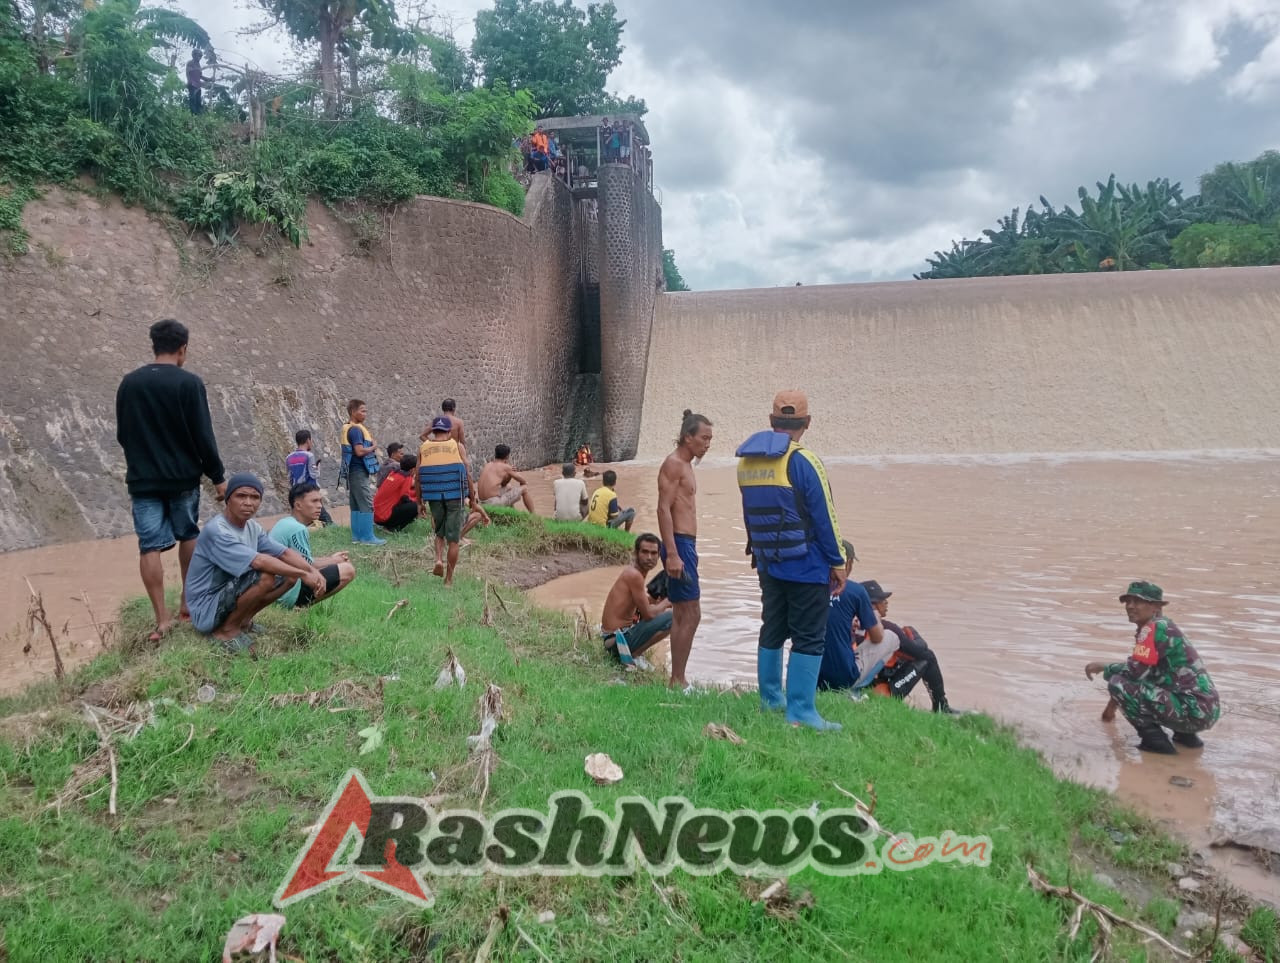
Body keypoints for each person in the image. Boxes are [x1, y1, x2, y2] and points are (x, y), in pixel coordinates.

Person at [736, 391, 846, 730]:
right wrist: (837, 561)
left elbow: (749, 514)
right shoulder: (804, 461)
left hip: (768, 562)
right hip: (807, 564)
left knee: (773, 627)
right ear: (807, 423)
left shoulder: (747, 462)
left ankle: (771, 699)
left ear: (771, 422)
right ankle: (801, 711)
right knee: (809, 636)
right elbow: (824, 515)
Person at [116, 319, 226, 644]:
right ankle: (187, 606)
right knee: (188, 534)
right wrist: (218, 478)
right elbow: (203, 436)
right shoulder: (188, 384)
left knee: (149, 546)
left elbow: (123, 434)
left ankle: (161, 620)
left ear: (154, 346)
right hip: (182, 478)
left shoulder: (129, 384)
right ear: (182, 349)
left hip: (143, 480)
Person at [185, 473, 325, 655]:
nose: (248, 502)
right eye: (241, 496)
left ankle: (243, 621)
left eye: (254, 497)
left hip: (226, 594)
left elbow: (283, 552)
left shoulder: (252, 527)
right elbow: (259, 561)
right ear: (228, 499)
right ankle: (226, 631)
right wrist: (304, 574)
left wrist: (311, 570)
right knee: (265, 575)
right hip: (206, 607)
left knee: (289, 576)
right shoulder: (218, 530)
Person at [1086, 581, 1220, 754]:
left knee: (1117, 682)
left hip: (1193, 710)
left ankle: (1156, 744)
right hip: (1205, 710)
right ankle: (1186, 739)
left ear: (1155, 606)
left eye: (1138, 601)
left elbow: (1131, 675)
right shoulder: (1164, 626)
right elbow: (1141, 674)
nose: (1130, 606)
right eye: (1128, 601)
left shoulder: (1152, 629)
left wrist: (1104, 667)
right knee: (1145, 681)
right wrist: (1109, 712)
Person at [657, 409, 714, 691]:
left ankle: (678, 678)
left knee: (685, 612)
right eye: (704, 438)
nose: (708, 443)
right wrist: (673, 553)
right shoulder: (674, 464)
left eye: (710, 438)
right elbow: (663, 509)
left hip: (686, 544)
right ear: (687, 437)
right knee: (690, 613)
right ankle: (677, 679)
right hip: (679, 544)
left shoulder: (687, 464)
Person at [856, 580, 959, 714]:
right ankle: (941, 707)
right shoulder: (888, 628)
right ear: (873, 605)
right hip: (875, 692)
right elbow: (921, 653)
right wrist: (915, 637)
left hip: (850, 680)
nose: (886, 603)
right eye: (882, 599)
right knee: (928, 658)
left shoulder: (849, 623)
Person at [417, 416, 484, 585]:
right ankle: (448, 580)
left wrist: (420, 502)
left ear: (433, 431)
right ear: (449, 431)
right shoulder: (457, 446)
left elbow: (418, 477)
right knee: (453, 540)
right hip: (455, 495)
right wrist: (473, 499)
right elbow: (467, 473)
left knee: (439, 532)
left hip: (434, 496)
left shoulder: (423, 448)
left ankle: (438, 559)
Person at [270, 483, 357, 609]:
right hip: (284, 594)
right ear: (298, 505)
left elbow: (301, 561)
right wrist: (335, 561)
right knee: (347, 570)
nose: (320, 506)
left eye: (320, 501)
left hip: (273, 590)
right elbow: (307, 566)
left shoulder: (285, 523)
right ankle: (297, 607)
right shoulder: (297, 529)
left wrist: (332, 560)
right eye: (314, 501)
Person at [817, 541, 883, 692]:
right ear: (848, 563)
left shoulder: (809, 587)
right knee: (891, 637)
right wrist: (875, 613)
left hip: (810, 677)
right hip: (842, 677)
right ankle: (859, 688)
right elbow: (877, 637)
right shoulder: (856, 591)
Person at [601, 533, 673, 666]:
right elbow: (648, 614)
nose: (649, 557)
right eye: (645, 552)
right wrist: (667, 602)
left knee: (658, 607)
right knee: (673, 617)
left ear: (658, 556)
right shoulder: (635, 576)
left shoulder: (634, 573)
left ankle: (634, 653)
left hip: (613, 638)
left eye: (653, 553)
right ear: (636, 553)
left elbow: (642, 604)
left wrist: (658, 603)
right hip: (616, 643)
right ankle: (633, 655)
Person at [341, 399, 384, 545]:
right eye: (362, 411)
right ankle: (367, 537)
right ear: (353, 412)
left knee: (356, 503)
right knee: (366, 502)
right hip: (358, 470)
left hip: (352, 471)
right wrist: (374, 447)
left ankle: (357, 536)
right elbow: (359, 451)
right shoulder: (355, 430)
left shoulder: (350, 428)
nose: (365, 414)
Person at [285, 429, 332, 526]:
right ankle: (333, 529)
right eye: (311, 440)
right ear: (308, 440)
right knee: (324, 517)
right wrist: (317, 468)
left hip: (296, 491)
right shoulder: (309, 456)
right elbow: (314, 475)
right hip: (309, 491)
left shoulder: (289, 457)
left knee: (301, 516)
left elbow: (289, 477)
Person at [477, 445, 535, 511]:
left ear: (495, 454)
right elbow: (524, 481)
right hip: (493, 503)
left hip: (482, 502)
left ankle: (513, 512)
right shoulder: (505, 467)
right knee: (525, 488)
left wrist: (509, 475)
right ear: (507, 456)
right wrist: (511, 470)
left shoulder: (488, 464)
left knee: (509, 487)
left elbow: (503, 485)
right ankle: (534, 516)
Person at [373, 453, 420, 532]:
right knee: (415, 507)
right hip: (384, 516)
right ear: (413, 469)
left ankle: (388, 526)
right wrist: (419, 502)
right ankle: (392, 528)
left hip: (377, 515)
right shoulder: (406, 477)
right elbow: (404, 497)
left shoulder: (394, 473)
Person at [185, 48, 208, 115]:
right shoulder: (190, 63)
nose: (200, 57)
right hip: (192, 85)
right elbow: (188, 73)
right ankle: (193, 116)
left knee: (198, 101)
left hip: (198, 86)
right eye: (198, 55)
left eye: (200, 56)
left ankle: (198, 116)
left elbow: (200, 76)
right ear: (194, 55)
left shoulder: (198, 65)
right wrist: (189, 82)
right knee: (193, 101)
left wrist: (210, 79)